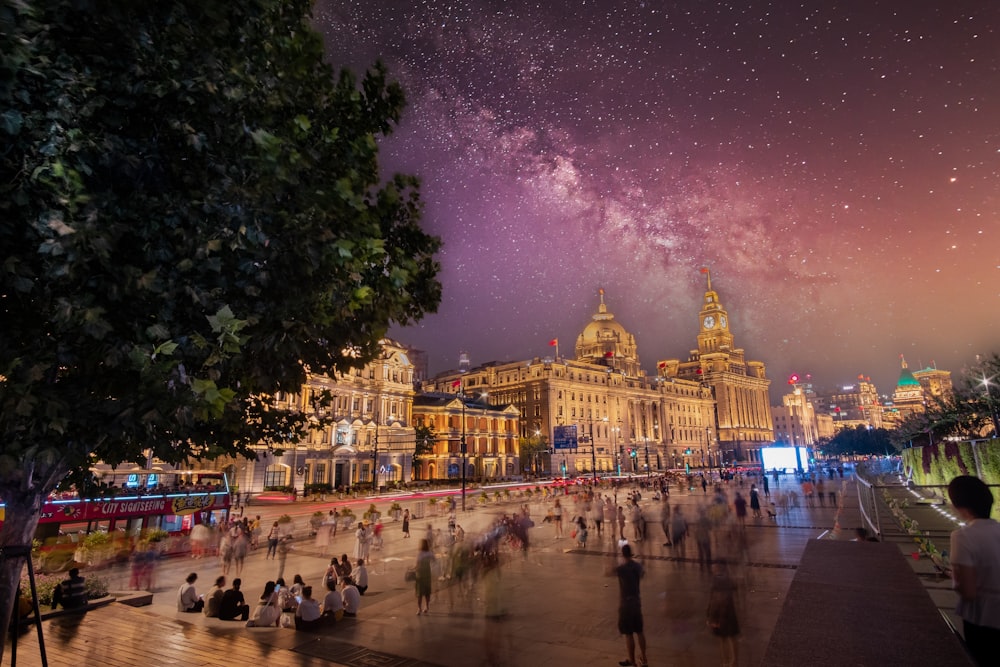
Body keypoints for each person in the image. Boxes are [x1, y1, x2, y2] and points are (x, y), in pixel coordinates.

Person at [947, 475, 1000, 666]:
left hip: (983, 618)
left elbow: (967, 591)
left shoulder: (962, 536)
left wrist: (954, 575)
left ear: (959, 505)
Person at [608, 544, 647, 667]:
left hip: (626, 604)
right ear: (631, 553)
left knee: (628, 633)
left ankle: (632, 661)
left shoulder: (622, 568)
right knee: (640, 631)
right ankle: (644, 658)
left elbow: (608, 572)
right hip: (636, 602)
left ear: (623, 554)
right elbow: (643, 573)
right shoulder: (637, 566)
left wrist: (611, 555)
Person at [706, 561, 740, 667]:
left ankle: (726, 662)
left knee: (723, 638)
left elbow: (712, 599)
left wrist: (709, 613)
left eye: (714, 566)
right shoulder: (727, 579)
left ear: (718, 568)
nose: (712, 567)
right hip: (729, 612)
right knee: (730, 637)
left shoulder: (716, 580)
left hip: (721, 613)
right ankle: (732, 661)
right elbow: (735, 588)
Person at [414, 538, 435, 615]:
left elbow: (417, 565)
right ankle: (427, 607)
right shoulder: (429, 553)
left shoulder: (419, 554)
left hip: (420, 575)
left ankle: (419, 609)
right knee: (427, 593)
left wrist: (413, 568)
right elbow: (434, 560)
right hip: (427, 575)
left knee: (419, 593)